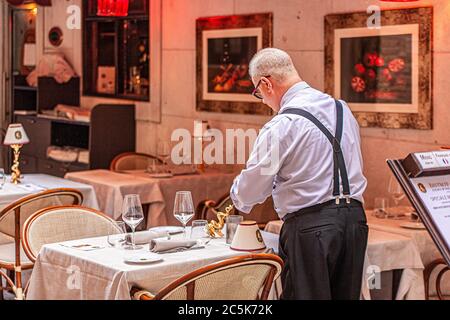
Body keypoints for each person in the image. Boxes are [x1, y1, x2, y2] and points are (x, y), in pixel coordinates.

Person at [230, 48, 368, 300]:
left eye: (258, 93)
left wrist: (236, 194)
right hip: (355, 223)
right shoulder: (342, 110)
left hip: (310, 229)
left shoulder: (282, 125)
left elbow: (252, 190)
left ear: (266, 83)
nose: (262, 100)